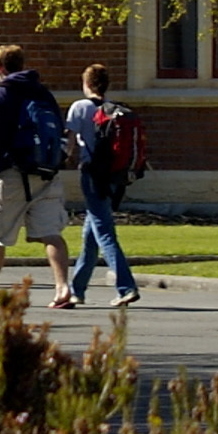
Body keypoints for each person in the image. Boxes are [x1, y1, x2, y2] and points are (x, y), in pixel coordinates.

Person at [0, 44, 72, 306]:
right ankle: (63, 287)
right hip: (45, 173)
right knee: (51, 232)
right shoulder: (43, 93)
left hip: (11, 174)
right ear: (21, 64)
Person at [64, 64, 142, 308]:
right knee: (91, 232)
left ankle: (126, 287)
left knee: (104, 231)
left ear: (86, 84)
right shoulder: (114, 111)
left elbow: (68, 143)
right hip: (114, 175)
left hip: (92, 175)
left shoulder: (79, 107)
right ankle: (77, 290)